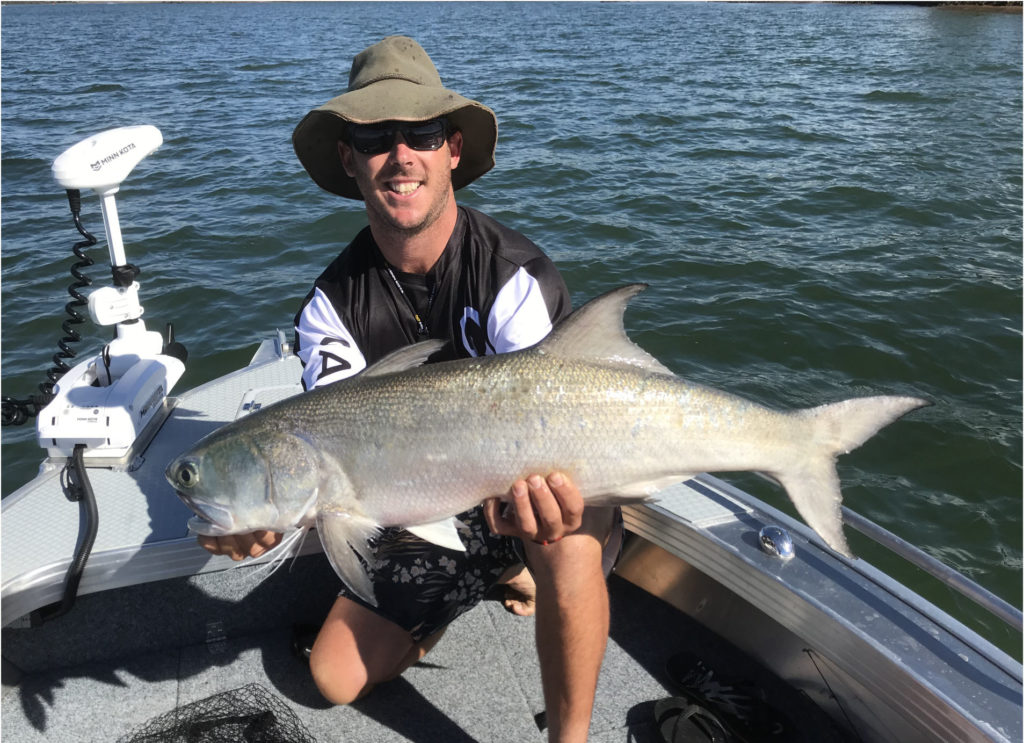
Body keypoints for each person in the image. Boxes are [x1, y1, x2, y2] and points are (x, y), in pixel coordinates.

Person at [198, 36, 618, 743]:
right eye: (373, 137)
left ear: (452, 148)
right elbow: (322, 458)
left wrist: (545, 509)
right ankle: (491, 583)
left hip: (530, 498)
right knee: (331, 675)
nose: (400, 155)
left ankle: (568, 733)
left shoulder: (515, 275)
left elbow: (559, 421)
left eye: (419, 133)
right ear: (349, 159)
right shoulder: (331, 306)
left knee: (566, 537)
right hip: (418, 508)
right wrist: (263, 520)